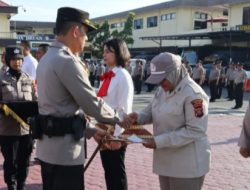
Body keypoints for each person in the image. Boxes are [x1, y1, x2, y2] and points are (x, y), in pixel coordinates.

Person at [36, 7, 123, 190]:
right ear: (76, 31)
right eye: (85, 33)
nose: (87, 39)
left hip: (48, 150)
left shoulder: (46, 58)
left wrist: (91, 129)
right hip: (65, 154)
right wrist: (120, 118)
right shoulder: (67, 61)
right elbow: (92, 104)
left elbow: (59, 108)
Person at [127, 52, 211, 190]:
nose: (159, 83)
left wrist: (158, 141)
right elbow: (150, 110)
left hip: (186, 167)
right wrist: (137, 116)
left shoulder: (193, 94)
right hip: (166, 162)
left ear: (175, 72)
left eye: (162, 78)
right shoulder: (163, 89)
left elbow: (195, 130)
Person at [97, 38, 134, 190]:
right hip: (104, 130)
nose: (104, 55)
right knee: (109, 171)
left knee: (117, 172)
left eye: (108, 52)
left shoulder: (123, 76)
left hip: (116, 131)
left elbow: (124, 109)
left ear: (119, 53)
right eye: (104, 52)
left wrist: (118, 136)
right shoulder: (108, 75)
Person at [0, 46, 36, 190]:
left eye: (20, 59)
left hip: (26, 130)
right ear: (8, 61)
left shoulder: (28, 78)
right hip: (8, 130)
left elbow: (35, 100)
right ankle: (11, 186)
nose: (17, 63)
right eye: (14, 59)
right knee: (10, 161)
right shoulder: (1, 79)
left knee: (24, 161)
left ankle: (21, 185)